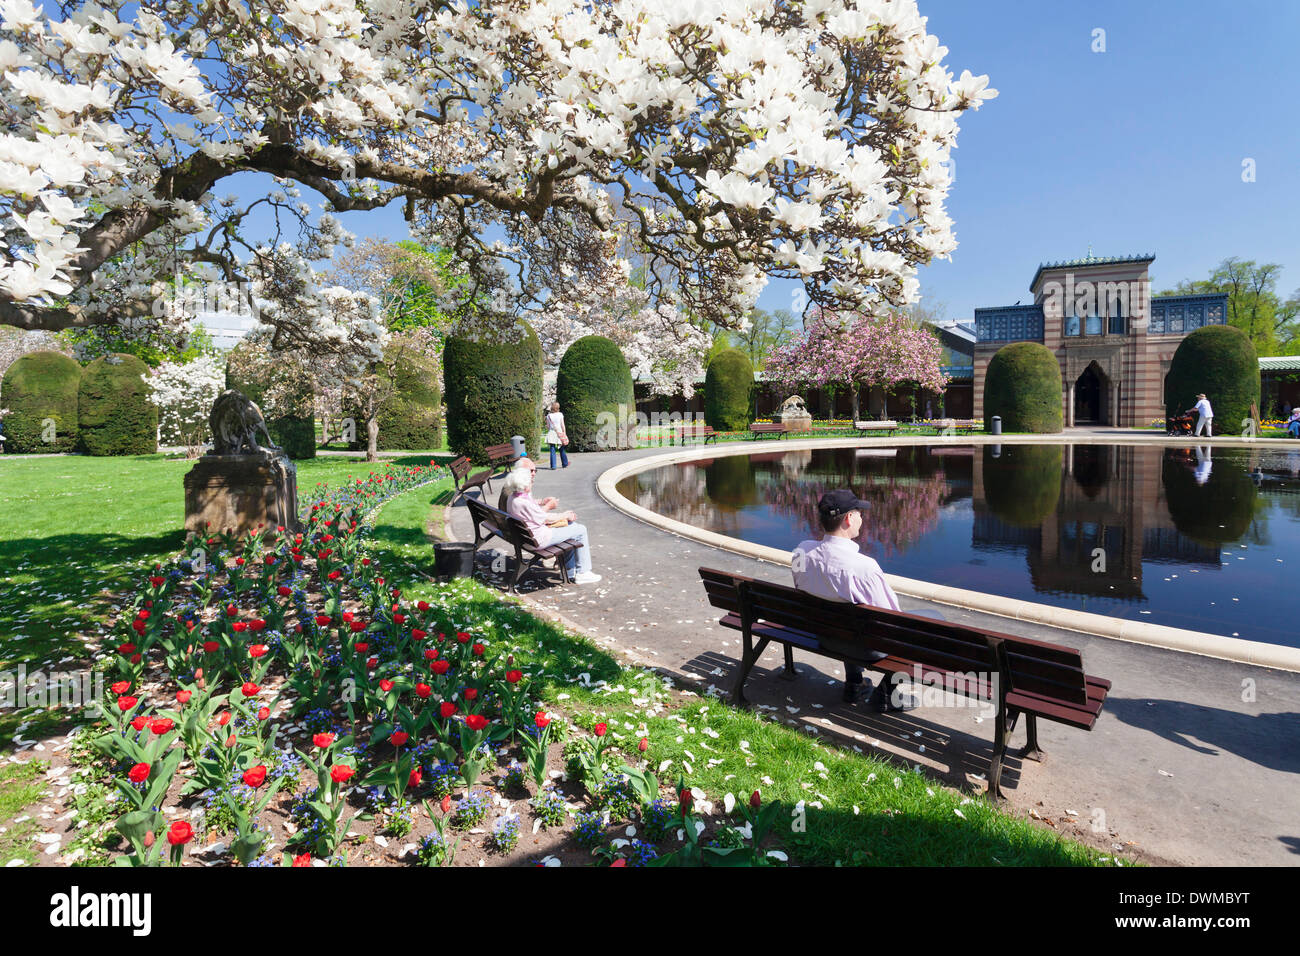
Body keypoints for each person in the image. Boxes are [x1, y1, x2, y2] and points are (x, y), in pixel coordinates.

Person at [791, 489, 915, 711]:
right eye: (859, 513)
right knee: (924, 625)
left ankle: (854, 683)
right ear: (849, 519)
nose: (862, 518)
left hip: (824, 635)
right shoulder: (863, 567)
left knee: (845, 613)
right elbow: (893, 621)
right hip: (867, 648)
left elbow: (800, 587)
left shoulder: (801, 552)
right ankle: (887, 693)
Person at [502, 461, 601, 584]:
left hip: (526, 538)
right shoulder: (523, 502)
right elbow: (545, 518)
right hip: (539, 539)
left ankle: (570, 571)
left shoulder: (514, 498)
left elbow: (535, 512)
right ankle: (583, 572)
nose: (532, 482)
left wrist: (544, 503)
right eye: (530, 481)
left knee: (571, 528)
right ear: (525, 484)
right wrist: (565, 515)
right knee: (580, 529)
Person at [544, 401, 569, 470]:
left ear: (552, 407)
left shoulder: (549, 416)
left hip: (552, 433)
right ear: (558, 407)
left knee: (552, 449)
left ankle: (553, 466)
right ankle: (565, 463)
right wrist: (564, 433)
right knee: (561, 449)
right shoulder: (560, 414)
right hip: (559, 432)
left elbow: (548, 426)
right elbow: (562, 425)